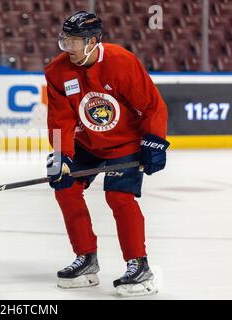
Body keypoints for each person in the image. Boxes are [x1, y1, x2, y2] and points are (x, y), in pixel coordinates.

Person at [45, 11, 169, 297]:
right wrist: (60, 154)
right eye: (66, 41)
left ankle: (138, 264)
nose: (70, 48)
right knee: (65, 188)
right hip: (86, 142)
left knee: (118, 196)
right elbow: (59, 119)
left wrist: (154, 142)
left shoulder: (121, 62)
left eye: (75, 42)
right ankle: (86, 259)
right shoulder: (57, 71)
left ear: (93, 41)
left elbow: (152, 106)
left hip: (124, 143)